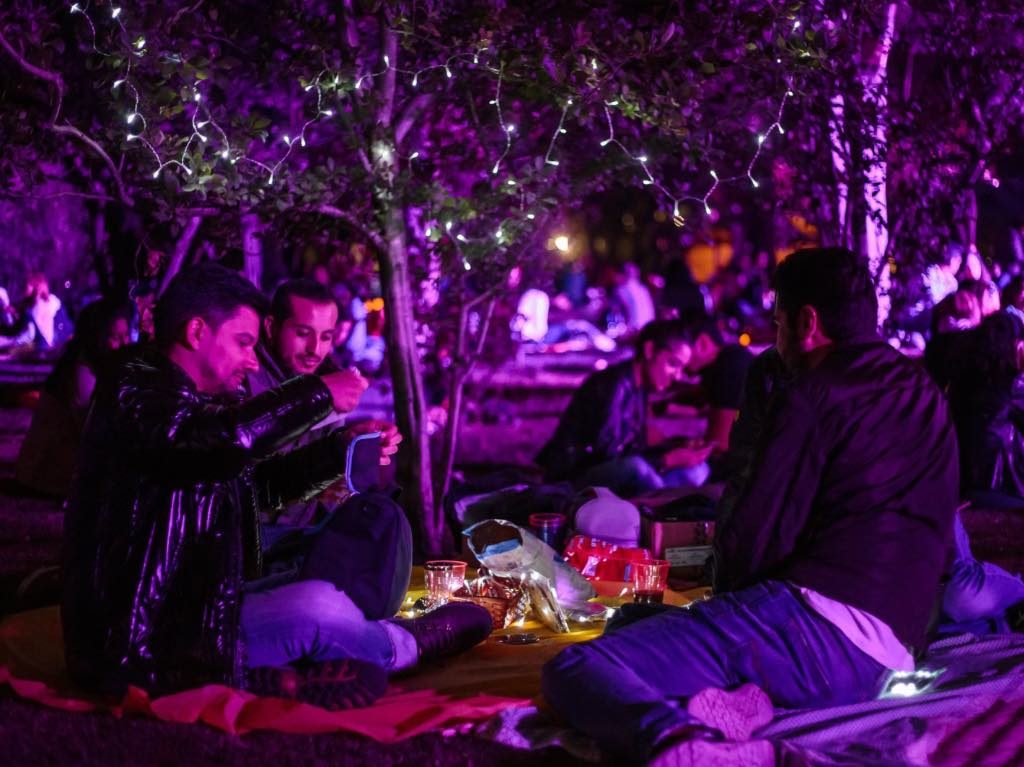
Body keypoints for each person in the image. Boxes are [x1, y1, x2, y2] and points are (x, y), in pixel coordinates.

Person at [542, 247, 959, 765]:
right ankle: (744, 700)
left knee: (579, 669)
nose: (776, 341)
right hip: (896, 649)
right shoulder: (923, 391)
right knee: (636, 625)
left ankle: (683, 741)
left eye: (778, 324)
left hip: (816, 628)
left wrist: (722, 601)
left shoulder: (813, 394)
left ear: (807, 323)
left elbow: (756, 538)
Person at [62, 263, 491, 710]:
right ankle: (401, 646)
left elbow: (254, 488)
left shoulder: (189, 402)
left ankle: (280, 674)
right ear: (195, 332)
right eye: (243, 343)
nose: (251, 359)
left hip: (194, 612)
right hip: (142, 649)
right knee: (320, 610)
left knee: (346, 563)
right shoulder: (135, 390)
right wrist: (318, 393)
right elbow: (211, 444)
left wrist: (338, 451)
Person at [248, 278, 412, 619]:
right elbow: (265, 480)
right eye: (303, 333)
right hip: (263, 538)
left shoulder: (328, 380)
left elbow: (318, 468)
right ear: (270, 326)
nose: (315, 349)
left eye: (325, 336)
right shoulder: (249, 380)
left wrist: (353, 451)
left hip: (307, 528)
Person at [535, 319, 712, 497]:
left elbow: (632, 445)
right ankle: (665, 506)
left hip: (618, 471)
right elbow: (607, 455)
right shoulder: (613, 384)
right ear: (650, 350)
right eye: (673, 364)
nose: (678, 376)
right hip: (576, 476)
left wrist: (675, 447)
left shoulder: (639, 386)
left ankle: (664, 500)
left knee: (697, 469)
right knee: (638, 468)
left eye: (682, 368)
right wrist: (666, 460)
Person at [16, 299, 132, 497]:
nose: (124, 344)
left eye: (126, 335)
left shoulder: (98, 365)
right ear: (97, 337)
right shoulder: (82, 371)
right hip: (47, 474)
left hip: (55, 469)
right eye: (115, 337)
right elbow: (89, 427)